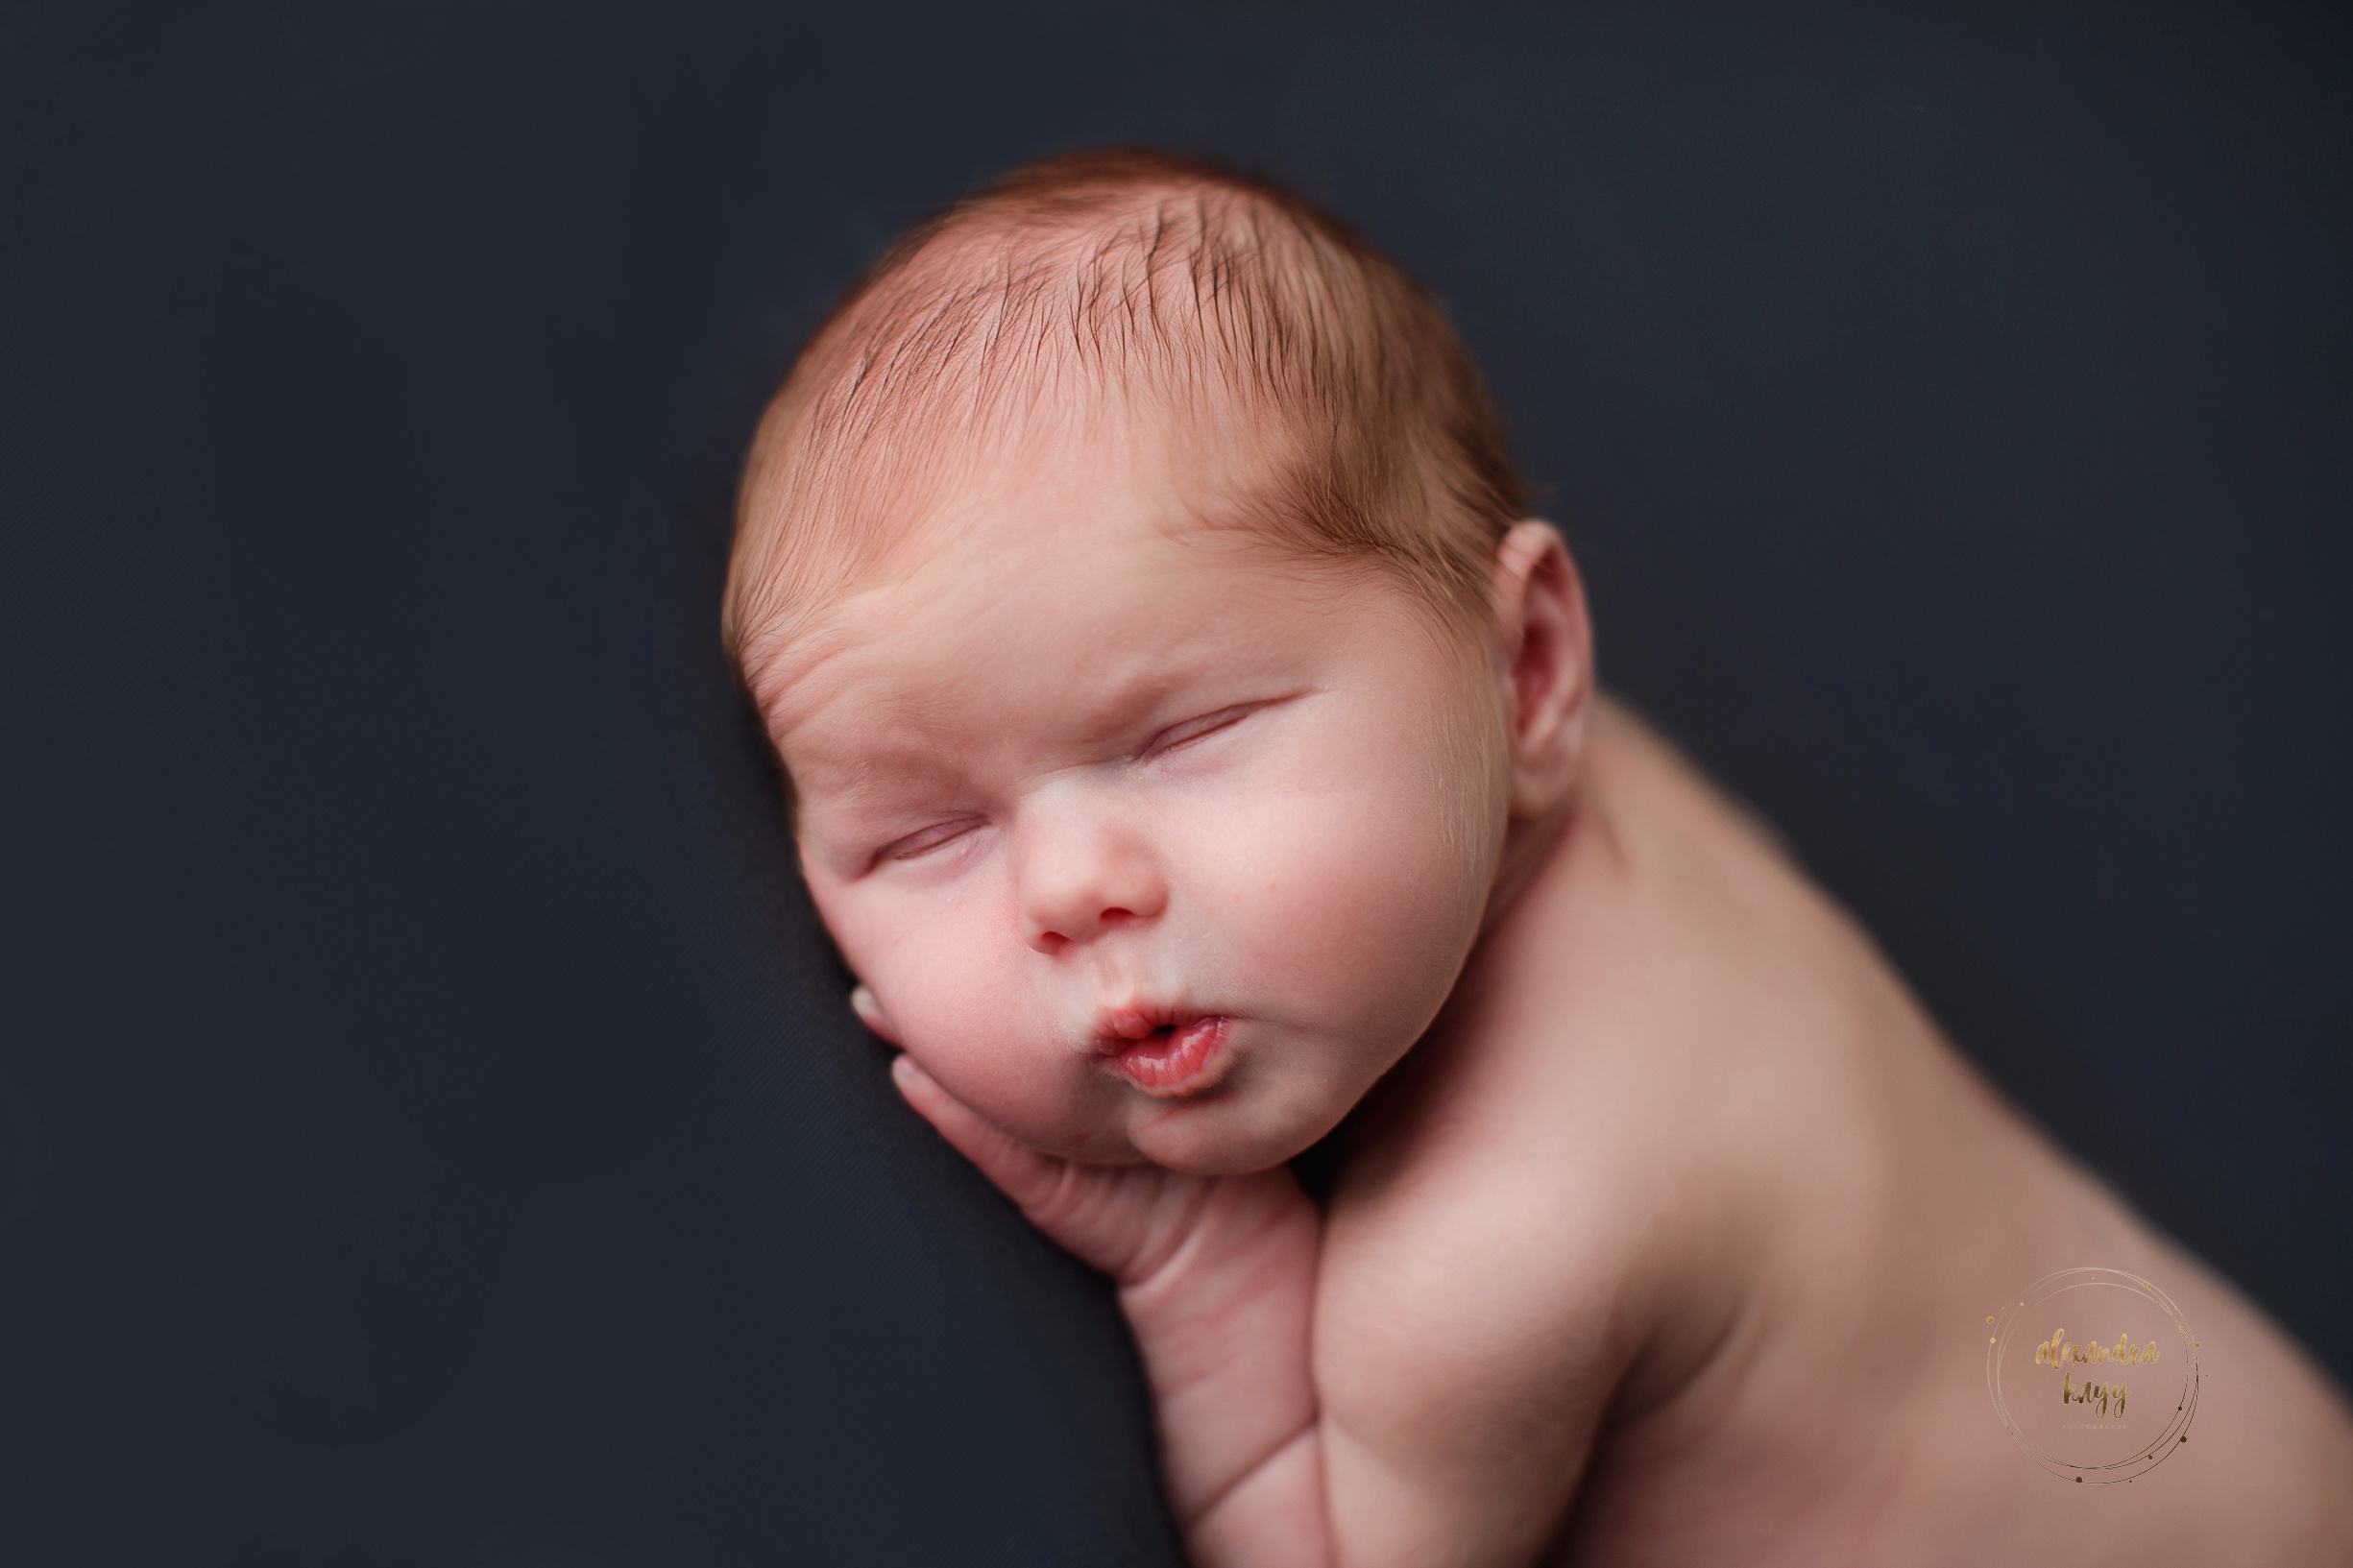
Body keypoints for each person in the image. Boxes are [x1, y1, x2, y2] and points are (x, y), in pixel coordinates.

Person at [720, 147, 2353, 1565]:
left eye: (1184, 736)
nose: (1067, 892)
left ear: (1522, 673)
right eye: (929, 833)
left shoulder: (1490, 1261)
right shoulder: (1562, 779)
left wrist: (1194, 1263)